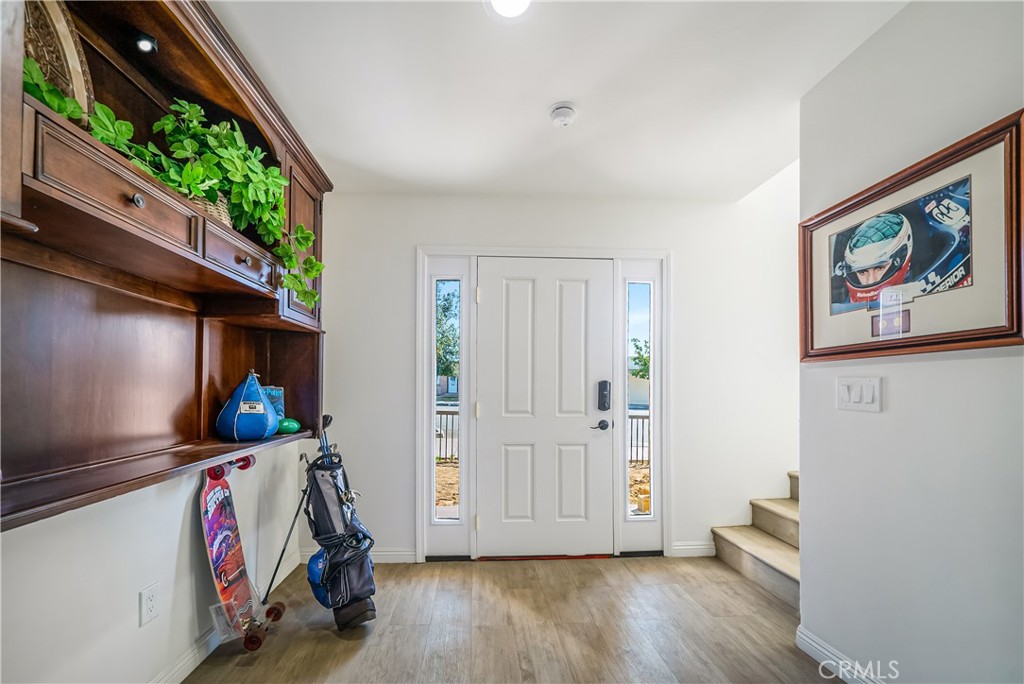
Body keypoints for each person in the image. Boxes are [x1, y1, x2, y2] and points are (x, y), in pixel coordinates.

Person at [837, 213, 914, 303]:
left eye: (879, 268)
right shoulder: (843, 307)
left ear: (900, 259)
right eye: (862, 272)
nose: (870, 281)